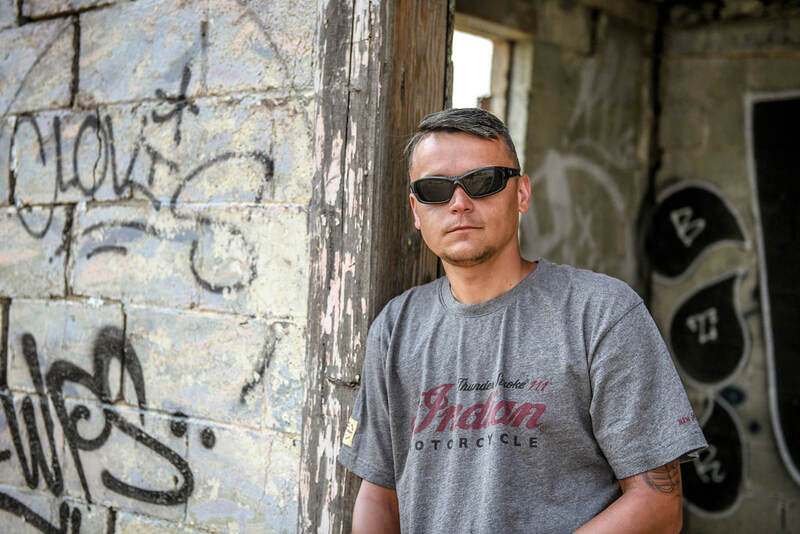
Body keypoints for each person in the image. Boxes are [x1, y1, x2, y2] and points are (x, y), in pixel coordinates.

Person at [338, 108, 707, 534]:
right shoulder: (395, 328)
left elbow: (658, 505)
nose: (459, 202)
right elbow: (379, 496)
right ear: (416, 211)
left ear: (522, 194)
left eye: (483, 181)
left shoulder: (601, 313)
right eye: (434, 189)